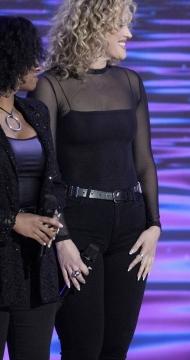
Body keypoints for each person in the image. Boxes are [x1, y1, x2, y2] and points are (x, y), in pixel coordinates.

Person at [28, 0, 161, 358]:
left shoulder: (131, 82)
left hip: (131, 228)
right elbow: (43, 171)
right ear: (94, 26)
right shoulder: (50, 86)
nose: (129, 33)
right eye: (120, 24)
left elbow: (144, 161)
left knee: (116, 347)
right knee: (83, 347)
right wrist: (61, 238)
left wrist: (154, 226)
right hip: (78, 226)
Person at [0, 16, 66, 360]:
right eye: (29, 55)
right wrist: (13, 220)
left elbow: (55, 179)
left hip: (36, 269)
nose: (38, 65)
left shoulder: (36, 112)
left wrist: (54, 211)